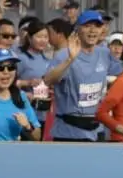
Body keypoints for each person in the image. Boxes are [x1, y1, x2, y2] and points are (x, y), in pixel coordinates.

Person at [43, 10, 110, 142]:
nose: (92, 30)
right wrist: (70, 59)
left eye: (97, 26)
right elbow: (48, 81)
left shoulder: (104, 53)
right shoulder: (63, 55)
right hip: (69, 133)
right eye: (87, 26)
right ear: (77, 29)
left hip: (97, 130)